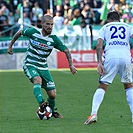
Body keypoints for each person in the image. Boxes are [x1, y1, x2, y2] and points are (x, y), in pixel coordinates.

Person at [8, 15, 77, 119]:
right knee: (37, 80)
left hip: (43, 67)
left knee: (52, 95)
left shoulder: (53, 40)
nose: (50, 26)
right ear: (42, 24)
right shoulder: (33, 32)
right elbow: (20, 32)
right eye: (47, 24)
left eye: (52, 24)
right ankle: (42, 103)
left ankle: (51, 112)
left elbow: (66, 50)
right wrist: (10, 45)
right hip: (30, 64)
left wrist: (71, 65)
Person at [84, 11, 133, 125]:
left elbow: (99, 45)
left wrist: (99, 62)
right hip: (126, 57)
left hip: (111, 57)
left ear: (108, 20)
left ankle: (94, 113)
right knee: (129, 86)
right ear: (119, 19)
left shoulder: (105, 27)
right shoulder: (128, 27)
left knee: (103, 85)